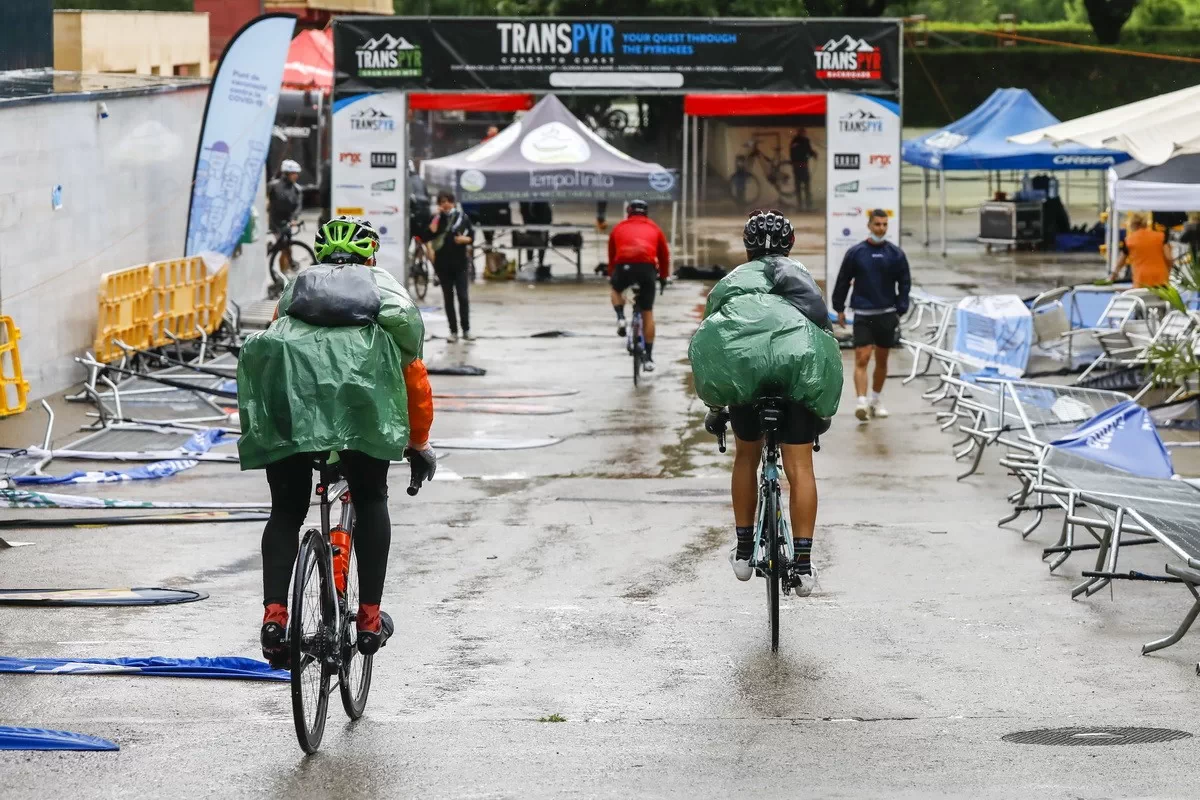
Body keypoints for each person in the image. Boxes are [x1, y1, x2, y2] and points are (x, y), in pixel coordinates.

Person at [236, 215, 437, 667]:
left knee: (286, 512)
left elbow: (270, 359)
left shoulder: (293, 295)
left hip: (292, 417)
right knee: (370, 499)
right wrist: (419, 442)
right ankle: (368, 619)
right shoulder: (385, 297)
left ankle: (274, 617)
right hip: (362, 423)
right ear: (370, 257)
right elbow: (414, 380)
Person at [696, 210, 841, 596]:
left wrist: (717, 405)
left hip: (747, 381)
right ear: (790, 245)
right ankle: (805, 565)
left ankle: (744, 551)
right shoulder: (803, 279)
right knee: (800, 468)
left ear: (746, 248)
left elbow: (714, 344)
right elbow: (826, 336)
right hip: (796, 381)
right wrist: (821, 405)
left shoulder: (730, 283)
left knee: (747, 456)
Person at [832, 210, 911, 422]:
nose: (881, 228)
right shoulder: (856, 253)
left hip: (886, 314)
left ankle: (876, 400)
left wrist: (900, 309)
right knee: (863, 357)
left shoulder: (895, 254)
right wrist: (838, 307)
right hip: (863, 314)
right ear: (869, 225)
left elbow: (904, 283)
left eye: (885, 225)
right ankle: (861, 402)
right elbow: (843, 280)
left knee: (882, 360)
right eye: (877, 224)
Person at [608, 199, 670, 371]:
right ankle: (649, 358)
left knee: (616, 289)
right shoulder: (654, 228)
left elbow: (612, 255)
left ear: (629, 212)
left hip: (623, 265)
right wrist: (664, 277)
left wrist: (612, 275)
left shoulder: (619, 227)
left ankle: (620, 317)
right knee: (647, 312)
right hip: (646, 268)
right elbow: (664, 256)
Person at [429, 191, 475, 342]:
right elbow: (431, 232)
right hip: (442, 264)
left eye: (448, 201)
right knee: (448, 298)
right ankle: (453, 331)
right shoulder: (437, 218)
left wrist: (464, 239)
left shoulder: (462, 217)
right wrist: (437, 215)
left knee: (463, 297)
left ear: (453, 202)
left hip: (460, 263)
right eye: (442, 201)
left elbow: (471, 236)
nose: (446, 204)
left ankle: (466, 330)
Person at [1111, 211, 1173, 288]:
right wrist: (1168, 271)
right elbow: (1169, 258)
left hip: (1141, 279)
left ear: (1132, 224)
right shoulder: (1161, 236)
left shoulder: (1129, 240)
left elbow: (1121, 262)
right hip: (1160, 278)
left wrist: (1113, 275)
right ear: (1146, 223)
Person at [268, 159, 304, 271]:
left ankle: (285, 272)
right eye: (293, 173)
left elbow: (298, 206)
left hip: (288, 222)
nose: (296, 176)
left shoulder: (297, 189)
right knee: (284, 248)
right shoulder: (274, 186)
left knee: (288, 249)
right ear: (287, 174)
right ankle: (282, 273)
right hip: (276, 221)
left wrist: (294, 219)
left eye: (297, 173)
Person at [519, 201, 553, 281]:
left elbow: (547, 216)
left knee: (539, 243)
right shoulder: (526, 203)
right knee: (530, 242)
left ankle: (539, 265)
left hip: (541, 225)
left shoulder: (541, 203)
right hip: (532, 225)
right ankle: (532, 263)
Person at [789, 129, 817, 211]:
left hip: (802, 165)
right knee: (801, 185)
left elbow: (809, 150)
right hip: (798, 165)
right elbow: (793, 152)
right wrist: (812, 154)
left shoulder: (804, 141)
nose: (804, 134)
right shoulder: (796, 141)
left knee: (805, 185)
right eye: (802, 133)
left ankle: (807, 205)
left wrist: (813, 154)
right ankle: (801, 205)